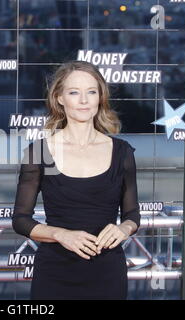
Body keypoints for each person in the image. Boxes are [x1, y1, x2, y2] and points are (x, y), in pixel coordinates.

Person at [12, 61, 141, 300]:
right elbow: (20, 220)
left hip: (107, 273)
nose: (84, 100)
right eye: (74, 92)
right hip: (55, 273)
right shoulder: (40, 152)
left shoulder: (122, 152)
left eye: (91, 92)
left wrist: (124, 229)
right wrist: (61, 234)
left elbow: (132, 214)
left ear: (100, 97)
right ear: (59, 98)